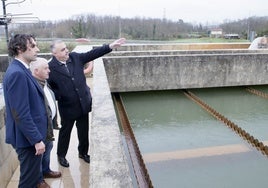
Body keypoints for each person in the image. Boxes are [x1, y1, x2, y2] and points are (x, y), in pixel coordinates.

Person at [47, 38, 126, 167]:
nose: (67, 51)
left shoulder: (75, 57)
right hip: (67, 108)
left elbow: (93, 54)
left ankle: (83, 153)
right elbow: (49, 88)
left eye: (66, 48)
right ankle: (61, 155)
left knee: (83, 131)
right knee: (65, 133)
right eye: (63, 50)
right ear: (54, 54)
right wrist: (60, 95)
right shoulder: (50, 68)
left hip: (83, 104)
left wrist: (110, 46)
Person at [3, 34, 49, 188]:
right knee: (28, 182)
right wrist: (36, 140)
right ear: (19, 49)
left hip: (29, 139)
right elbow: (20, 113)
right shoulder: (17, 73)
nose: (38, 49)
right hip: (28, 141)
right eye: (33, 46)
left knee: (32, 178)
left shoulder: (22, 69)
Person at [30, 57, 62, 180]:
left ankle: (46, 170)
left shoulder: (44, 83)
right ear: (36, 71)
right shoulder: (33, 87)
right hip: (39, 130)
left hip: (47, 127)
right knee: (38, 155)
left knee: (48, 149)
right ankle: (38, 180)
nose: (49, 71)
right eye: (46, 68)